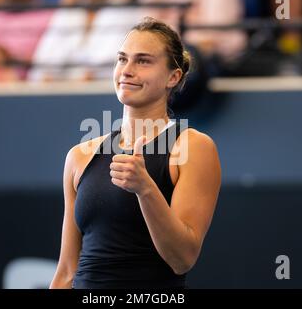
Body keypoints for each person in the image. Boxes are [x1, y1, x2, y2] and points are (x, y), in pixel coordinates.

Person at [49, 17, 221, 289]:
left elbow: (182, 258)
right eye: (122, 59)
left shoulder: (193, 147)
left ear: (173, 77)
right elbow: (67, 270)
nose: (127, 70)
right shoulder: (79, 156)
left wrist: (145, 189)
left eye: (143, 61)